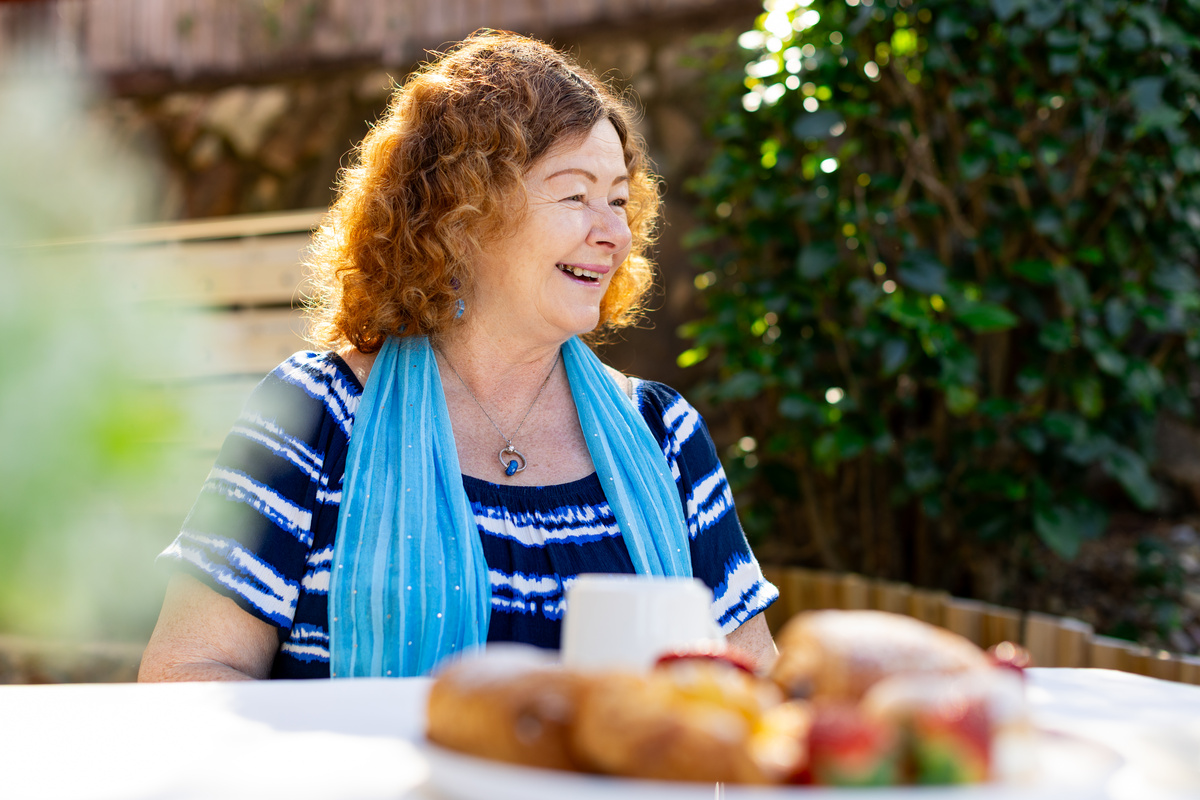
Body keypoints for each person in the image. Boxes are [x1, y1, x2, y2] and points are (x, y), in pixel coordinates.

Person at [138, 30, 778, 682]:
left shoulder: (663, 433)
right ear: (463, 212)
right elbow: (189, 670)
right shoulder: (317, 417)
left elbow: (754, 688)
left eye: (618, 200)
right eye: (576, 194)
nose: (614, 233)